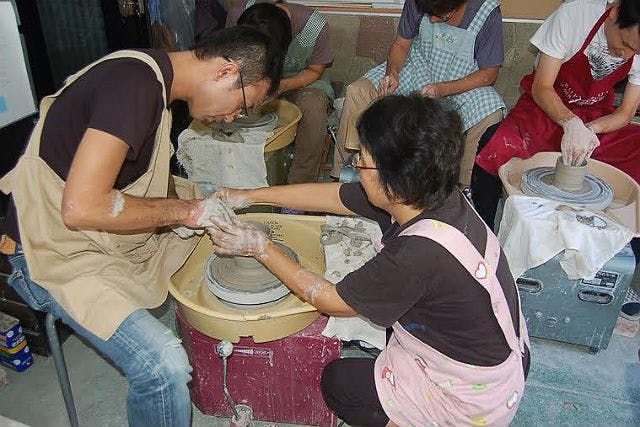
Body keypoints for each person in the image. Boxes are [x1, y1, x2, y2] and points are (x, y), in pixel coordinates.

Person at [0, 26, 283, 427]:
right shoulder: (133, 85)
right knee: (164, 366)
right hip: (46, 252)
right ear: (225, 71)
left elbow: (143, 184)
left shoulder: (158, 86)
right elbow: (81, 208)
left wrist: (197, 209)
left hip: (89, 238)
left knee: (225, 227)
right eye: (242, 104)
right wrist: (186, 214)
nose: (234, 117)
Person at [207, 94, 530, 427]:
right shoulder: (430, 192)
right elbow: (334, 196)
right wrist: (248, 196)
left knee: (339, 383)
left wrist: (258, 246)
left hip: (473, 398)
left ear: (392, 177)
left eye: (361, 160)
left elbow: (331, 300)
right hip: (499, 353)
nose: (355, 168)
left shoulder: (417, 255)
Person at [473, 0, 640, 230]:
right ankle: (483, 232)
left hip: (596, 116)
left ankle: (625, 249)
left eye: (635, 51)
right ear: (615, 12)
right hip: (547, 107)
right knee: (494, 144)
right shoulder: (574, 15)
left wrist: (589, 130)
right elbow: (541, 87)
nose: (626, 54)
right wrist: (571, 124)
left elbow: (626, 112)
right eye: (625, 43)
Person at [331, 0, 505, 188]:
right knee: (358, 91)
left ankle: (462, 191)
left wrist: (442, 89)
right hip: (419, 67)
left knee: (491, 113)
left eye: (440, 15)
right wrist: (393, 73)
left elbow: (489, 74)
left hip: (463, 81)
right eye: (427, 12)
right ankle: (349, 177)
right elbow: (401, 44)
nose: (431, 18)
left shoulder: (487, 12)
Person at [226, 0, 335, 185]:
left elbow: (315, 71)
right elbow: (228, 61)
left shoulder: (313, 26)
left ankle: (299, 187)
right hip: (253, 76)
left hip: (301, 79)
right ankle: (234, 175)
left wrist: (280, 86)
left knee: (314, 107)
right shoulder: (240, 15)